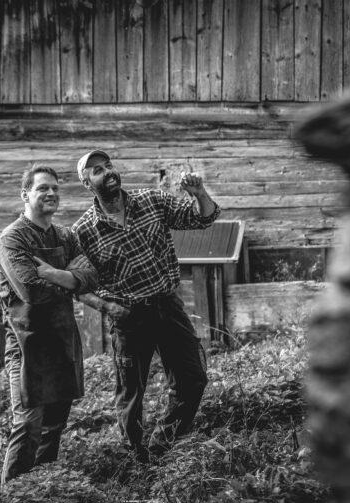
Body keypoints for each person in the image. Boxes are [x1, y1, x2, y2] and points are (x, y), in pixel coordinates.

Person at [71, 150, 220, 461]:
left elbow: (204, 218)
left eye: (108, 165)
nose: (107, 172)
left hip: (167, 306)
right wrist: (108, 308)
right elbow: (77, 285)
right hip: (128, 318)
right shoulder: (83, 231)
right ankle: (137, 458)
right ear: (87, 183)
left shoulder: (152, 200)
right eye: (97, 170)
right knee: (131, 395)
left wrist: (199, 193)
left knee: (192, 380)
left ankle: (161, 446)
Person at [0, 165, 98, 483]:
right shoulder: (12, 239)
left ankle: (42, 487)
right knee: (28, 424)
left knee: (55, 423)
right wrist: (71, 281)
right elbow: (30, 291)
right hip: (27, 345)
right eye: (42, 188)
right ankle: (11, 492)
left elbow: (91, 277)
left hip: (62, 338)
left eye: (55, 188)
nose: (51, 193)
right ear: (25, 194)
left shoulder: (66, 236)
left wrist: (53, 274)